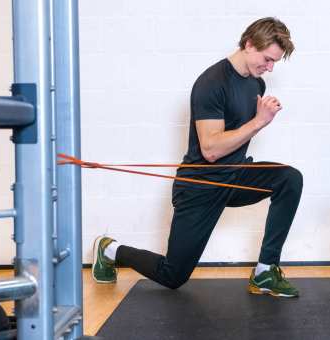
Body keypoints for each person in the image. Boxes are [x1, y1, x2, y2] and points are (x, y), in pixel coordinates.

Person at [92, 17, 303, 298]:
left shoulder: (256, 85)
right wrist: (258, 122)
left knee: (289, 179)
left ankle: (265, 271)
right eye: (267, 59)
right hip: (201, 186)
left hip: (235, 176)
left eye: (274, 62)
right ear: (249, 43)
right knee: (173, 275)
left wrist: (258, 117)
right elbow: (211, 150)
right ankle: (109, 248)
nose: (269, 67)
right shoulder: (211, 83)